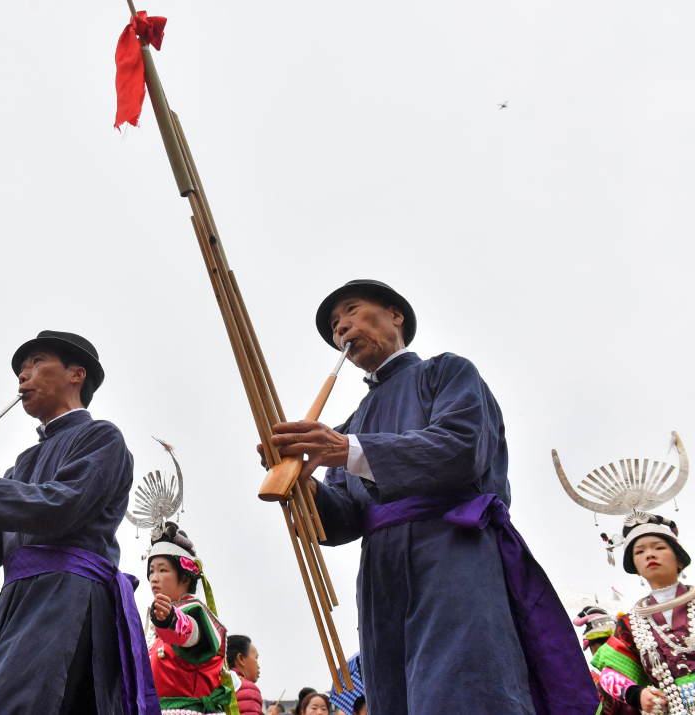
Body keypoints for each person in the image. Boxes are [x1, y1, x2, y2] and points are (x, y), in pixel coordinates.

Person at [261, 279, 597, 715]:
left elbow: (461, 449)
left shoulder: (447, 373)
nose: (340, 327)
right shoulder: (350, 423)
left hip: (453, 553)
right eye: (333, 324)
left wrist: (347, 451)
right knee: (392, 697)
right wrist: (300, 483)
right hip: (381, 576)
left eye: (350, 310)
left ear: (395, 314)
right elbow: (343, 520)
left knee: (465, 689)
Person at [0, 331, 159, 715]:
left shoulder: (102, 438)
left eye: (36, 362)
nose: (23, 375)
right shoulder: (21, 464)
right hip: (15, 605)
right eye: (21, 369)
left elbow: (61, 507)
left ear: (76, 375)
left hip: (65, 598)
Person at [590, 512, 695, 714]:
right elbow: (609, 674)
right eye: (639, 552)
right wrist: (636, 695)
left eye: (659, 547)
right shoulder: (630, 623)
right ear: (635, 567)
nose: (649, 555)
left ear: (679, 560)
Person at [146, 522, 236, 715]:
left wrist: (170, 619)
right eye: (151, 570)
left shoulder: (197, 613)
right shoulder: (154, 627)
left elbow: (188, 631)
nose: (154, 578)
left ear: (185, 578)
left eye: (162, 570)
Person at [226, 635, 261, 715]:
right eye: (256, 658)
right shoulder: (247, 689)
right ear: (241, 658)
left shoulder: (216, 683)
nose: (258, 666)